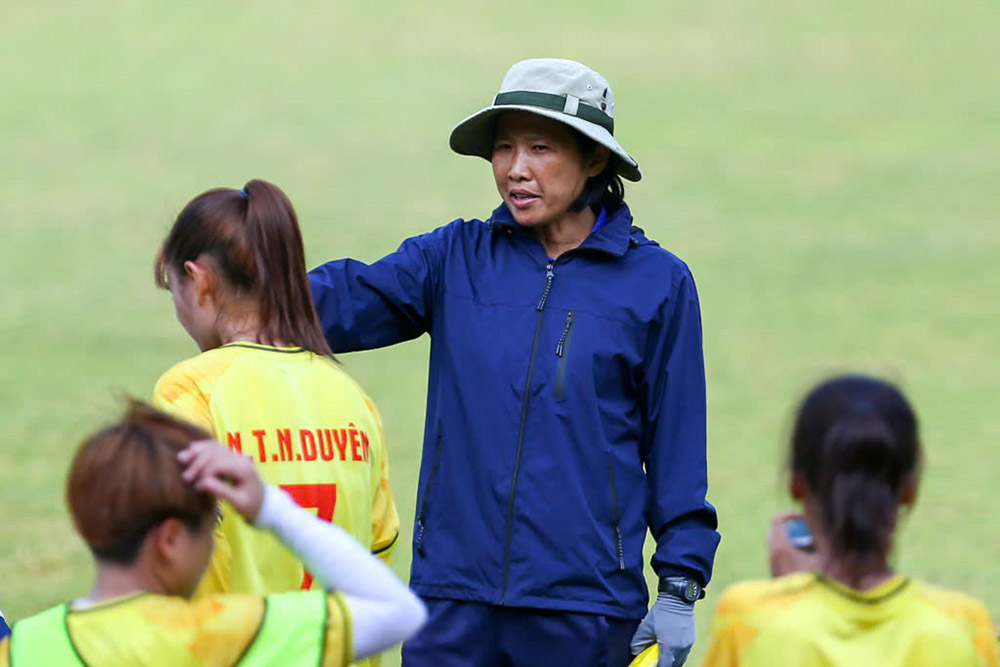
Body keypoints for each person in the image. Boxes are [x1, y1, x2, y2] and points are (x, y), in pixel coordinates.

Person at [309, 58, 720, 666]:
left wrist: (681, 585)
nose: (514, 170)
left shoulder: (658, 284)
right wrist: (241, 278)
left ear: (595, 160)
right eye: (503, 148)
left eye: (540, 148)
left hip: (586, 610)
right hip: (451, 603)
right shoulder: (453, 258)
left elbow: (677, 444)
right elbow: (340, 302)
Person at [0, 401, 426, 666]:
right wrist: (269, 508)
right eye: (210, 526)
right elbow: (399, 611)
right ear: (169, 541)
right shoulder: (230, 635)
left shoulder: (26, 649)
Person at [151, 179, 399, 606]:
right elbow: (379, 551)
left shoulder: (189, 392)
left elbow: (177, 557)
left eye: (174, 290)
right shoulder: (354, 399)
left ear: (198, 280)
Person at [701, 375, 998, 666]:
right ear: (910, 487)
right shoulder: (967, 627)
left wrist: (792, 594)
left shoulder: (747, 619)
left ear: (796, 483)